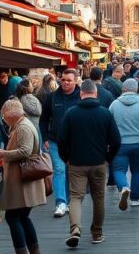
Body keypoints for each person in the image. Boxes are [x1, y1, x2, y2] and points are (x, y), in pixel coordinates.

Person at [58, 80, 121, 248]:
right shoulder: (105, 113)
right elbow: (116, 140)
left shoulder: (71, 113)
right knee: (98, 198)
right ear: (95, 93)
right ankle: (97, 233)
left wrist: (66, 158)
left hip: (76, 163)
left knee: (76, 197)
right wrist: (108, 158)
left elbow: (62, 139)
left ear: (81, 94)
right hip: (99, 163)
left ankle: (75, 229)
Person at [0, 99, 47, 254]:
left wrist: (2, 154)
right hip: (24, 180)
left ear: (12, 115)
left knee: (13, 218)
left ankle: (22, 251)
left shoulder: (23, 127)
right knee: (23, 217)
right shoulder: (21, 124)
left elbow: (25, 151)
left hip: (22, 180)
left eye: (4, 117)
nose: (4, 120)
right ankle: (34, 250)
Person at [40, 68, 81, 218]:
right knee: (59, 170)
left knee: (71, 172)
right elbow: (43, 119)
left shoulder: (82, 97)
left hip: (76, 142)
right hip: (55, 141)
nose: (65, 83)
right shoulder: (52, 97)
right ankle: (60, 202)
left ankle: (69, 201)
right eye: (63, 80)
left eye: (69, 80)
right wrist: (44, 137)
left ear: (76, 80)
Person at [110, 78, 139, 210]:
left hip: (120, 144)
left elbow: (109, 125)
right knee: (137, 171)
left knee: (118, 169)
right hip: (138, 143)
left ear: (123, 89)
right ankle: (135, 199)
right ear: (136, 90)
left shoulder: (114, 105)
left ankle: (123, 187)